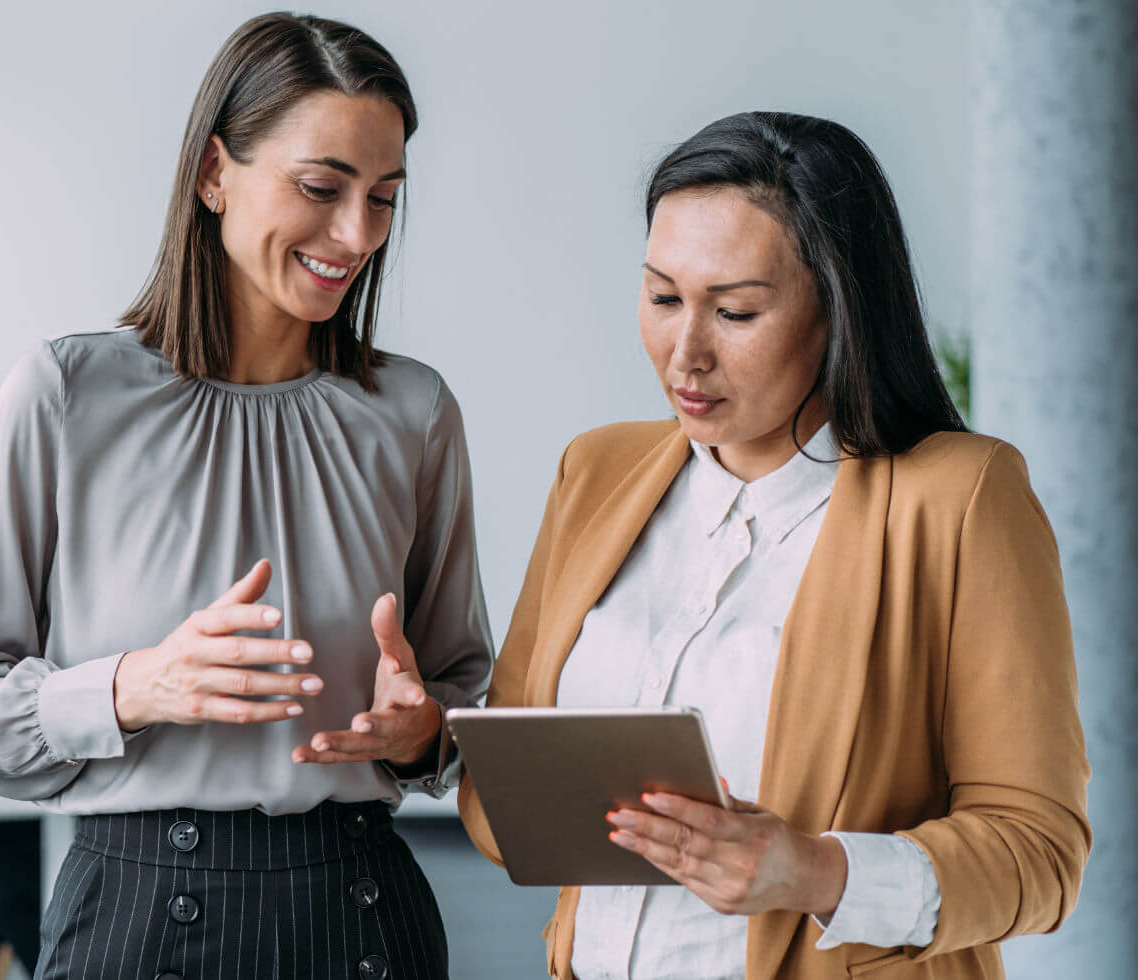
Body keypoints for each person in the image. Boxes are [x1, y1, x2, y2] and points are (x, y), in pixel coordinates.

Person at [0, 14, 490, 980]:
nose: (355, 235)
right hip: (136, 913)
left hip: (364, 916)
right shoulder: (66, 395)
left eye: (384, 198)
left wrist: (425, 731)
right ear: (215, 173)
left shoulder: (414, 411)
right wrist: (134, 687)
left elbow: (464, 695)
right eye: (321, 187)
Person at [458, 112, 1090, 979]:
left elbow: (1040, 855)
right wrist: (430, 741)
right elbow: (503, 809)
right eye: (663, 297)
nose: (687, 354)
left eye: (737, 312)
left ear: (838, 310)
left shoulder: (961, 498)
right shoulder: (595, 472)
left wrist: (812, 870)